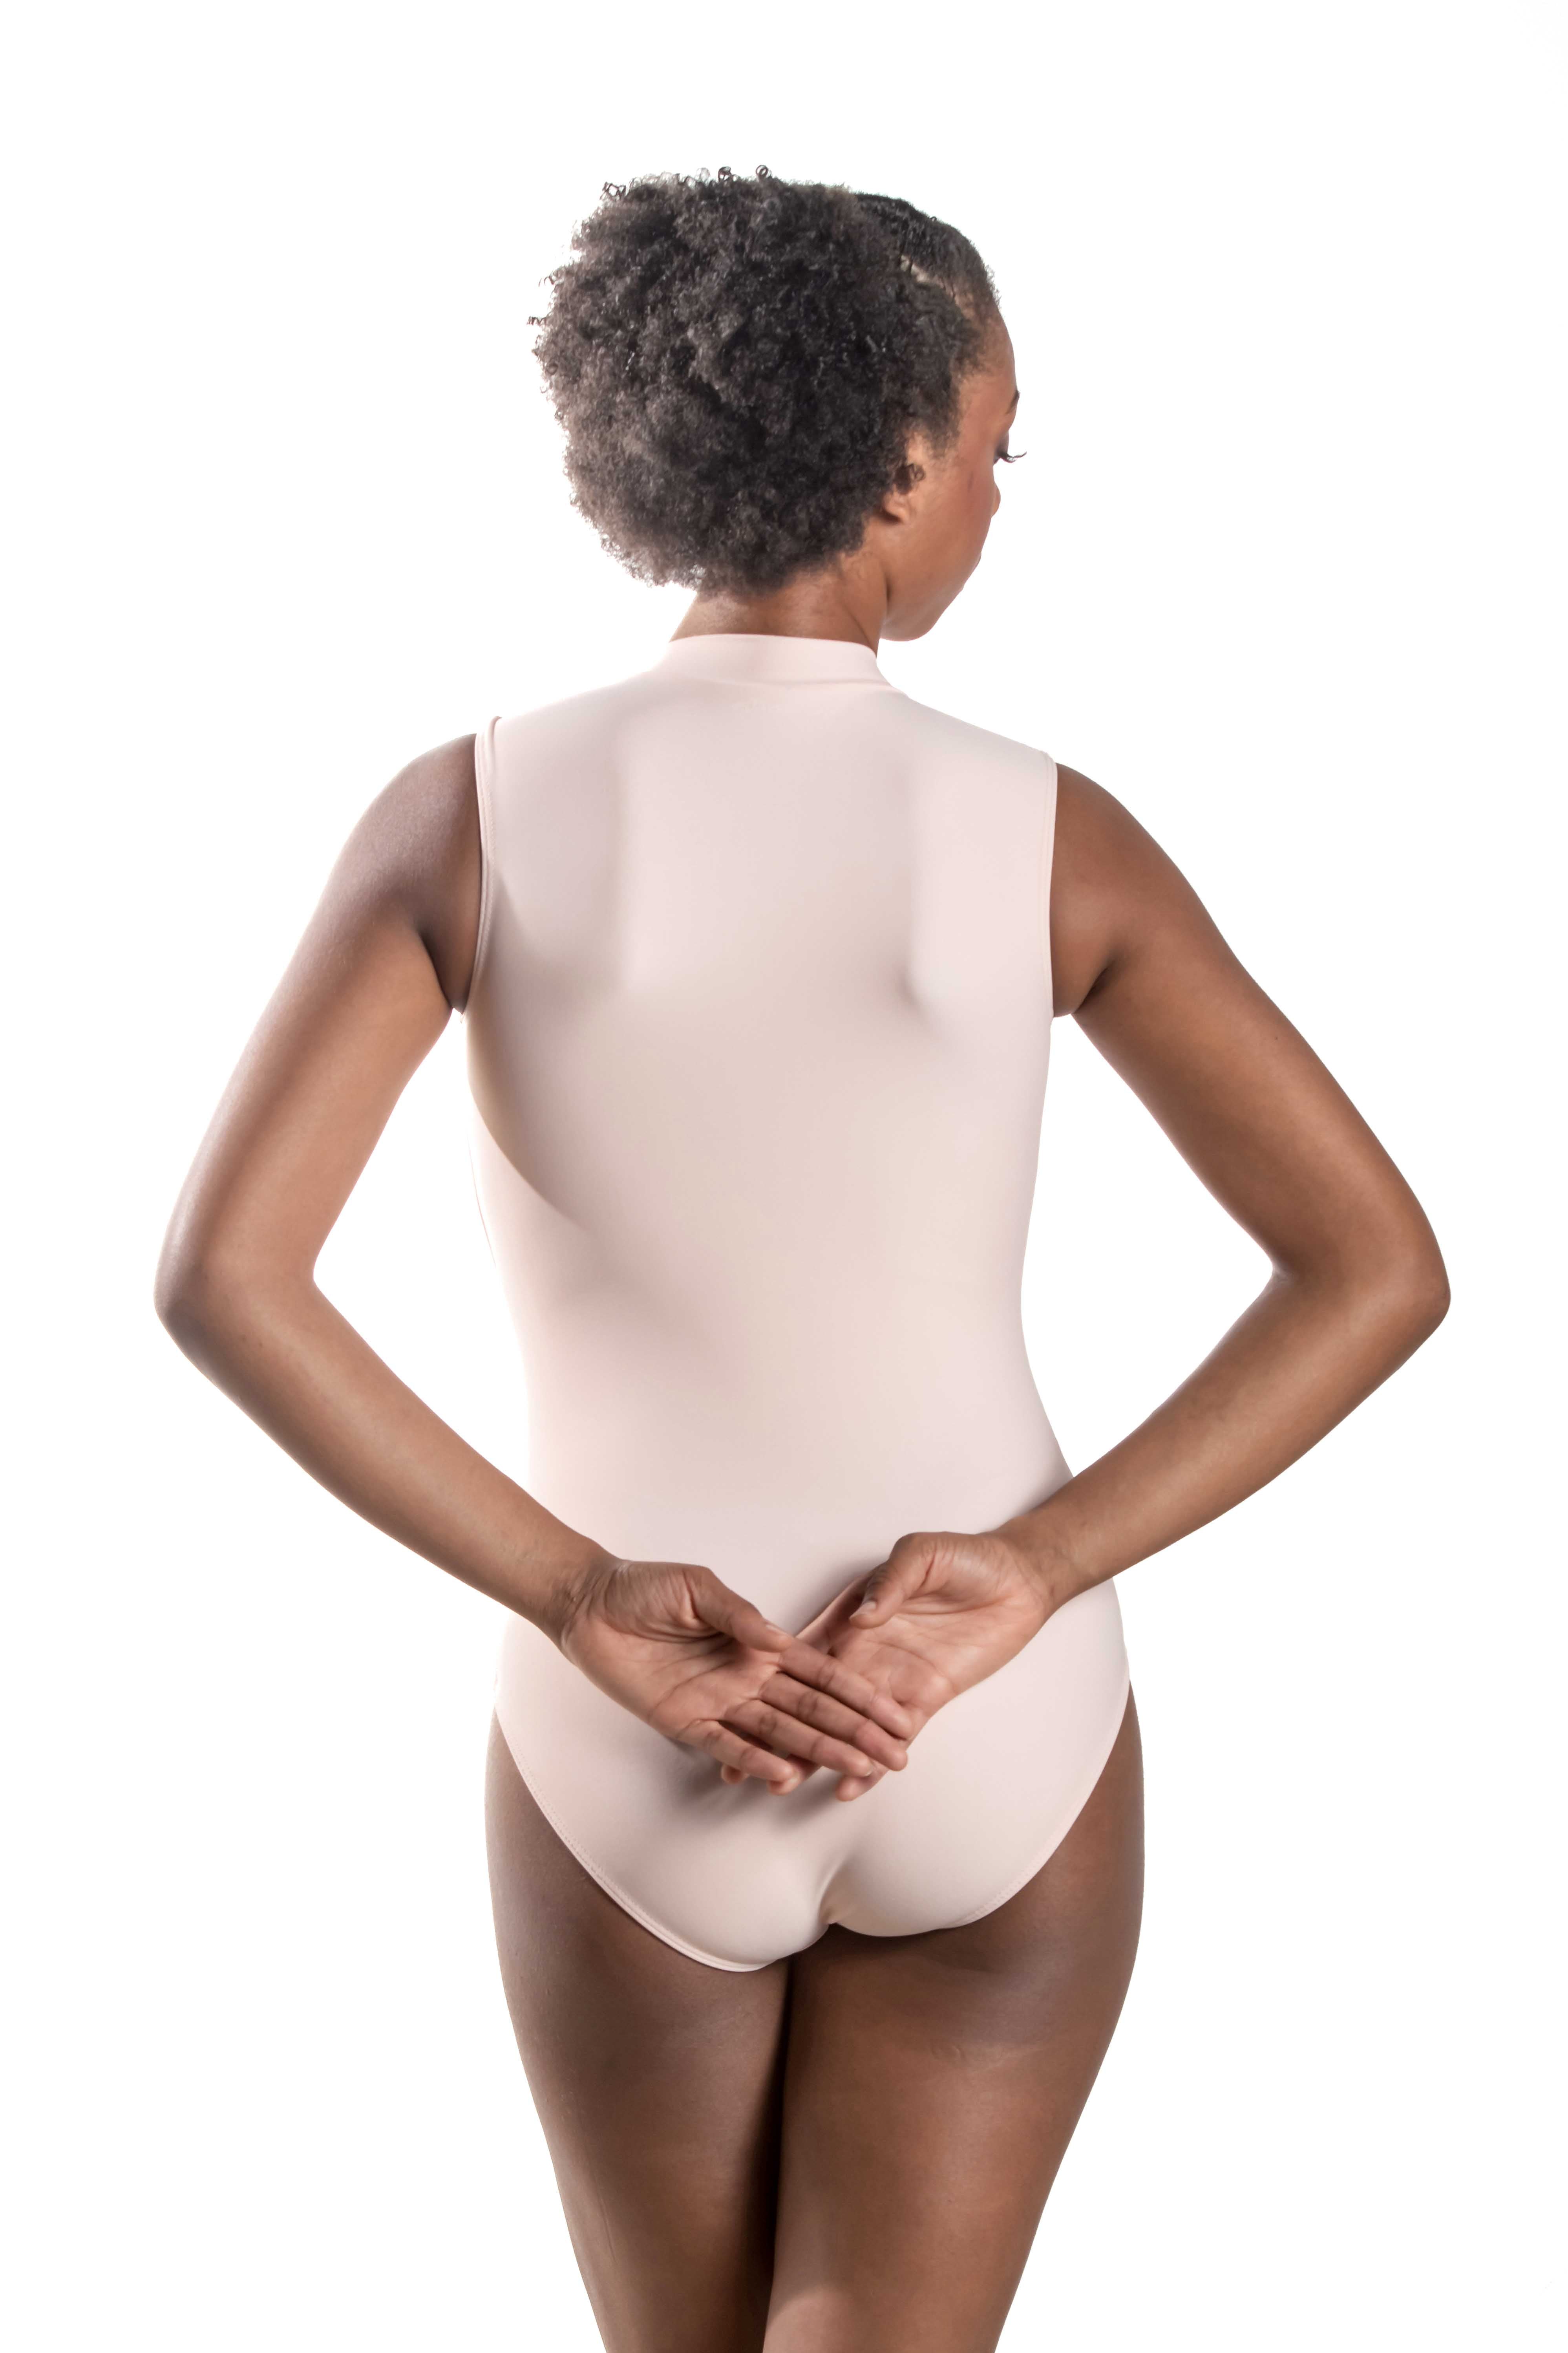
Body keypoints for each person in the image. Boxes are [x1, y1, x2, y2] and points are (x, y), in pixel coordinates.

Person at [155, 167, 1449, 2353]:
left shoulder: (469, 812)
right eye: (1004, 444)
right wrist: (1032, 1569)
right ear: (906, 456)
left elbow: (230, 1280)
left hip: (631, 1727)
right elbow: (1375, 1267)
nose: (1000, 496)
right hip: (985, 1709)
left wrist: (577, 1594)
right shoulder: (1048, 830)